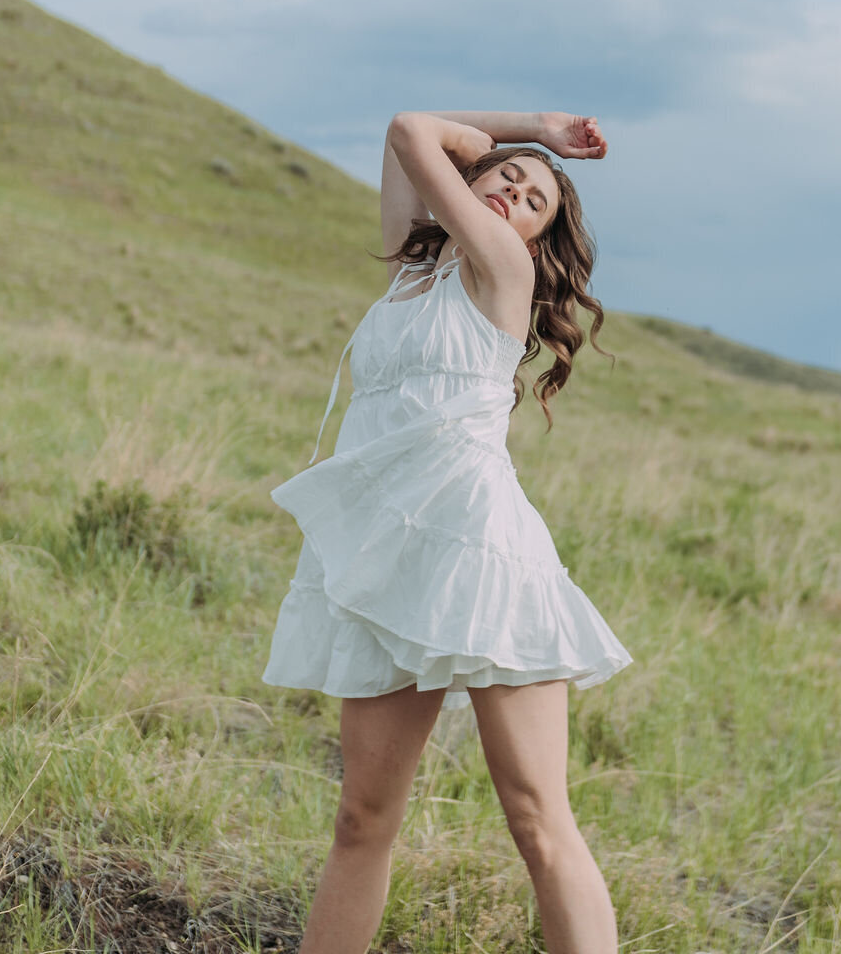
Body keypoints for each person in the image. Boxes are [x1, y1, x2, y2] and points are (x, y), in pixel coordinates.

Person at [262, 110, 633, 954]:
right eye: (506, 178)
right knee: (362, 818)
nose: (515, 191)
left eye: (536, 199)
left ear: (538, 240)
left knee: (537, 819)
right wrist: (524, 142)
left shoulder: (501, 265)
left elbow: (413, 130)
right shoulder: (414, 264)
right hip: (388, 559)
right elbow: (422, 130)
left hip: (479, 550)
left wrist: (531, 136)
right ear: (469, 186)